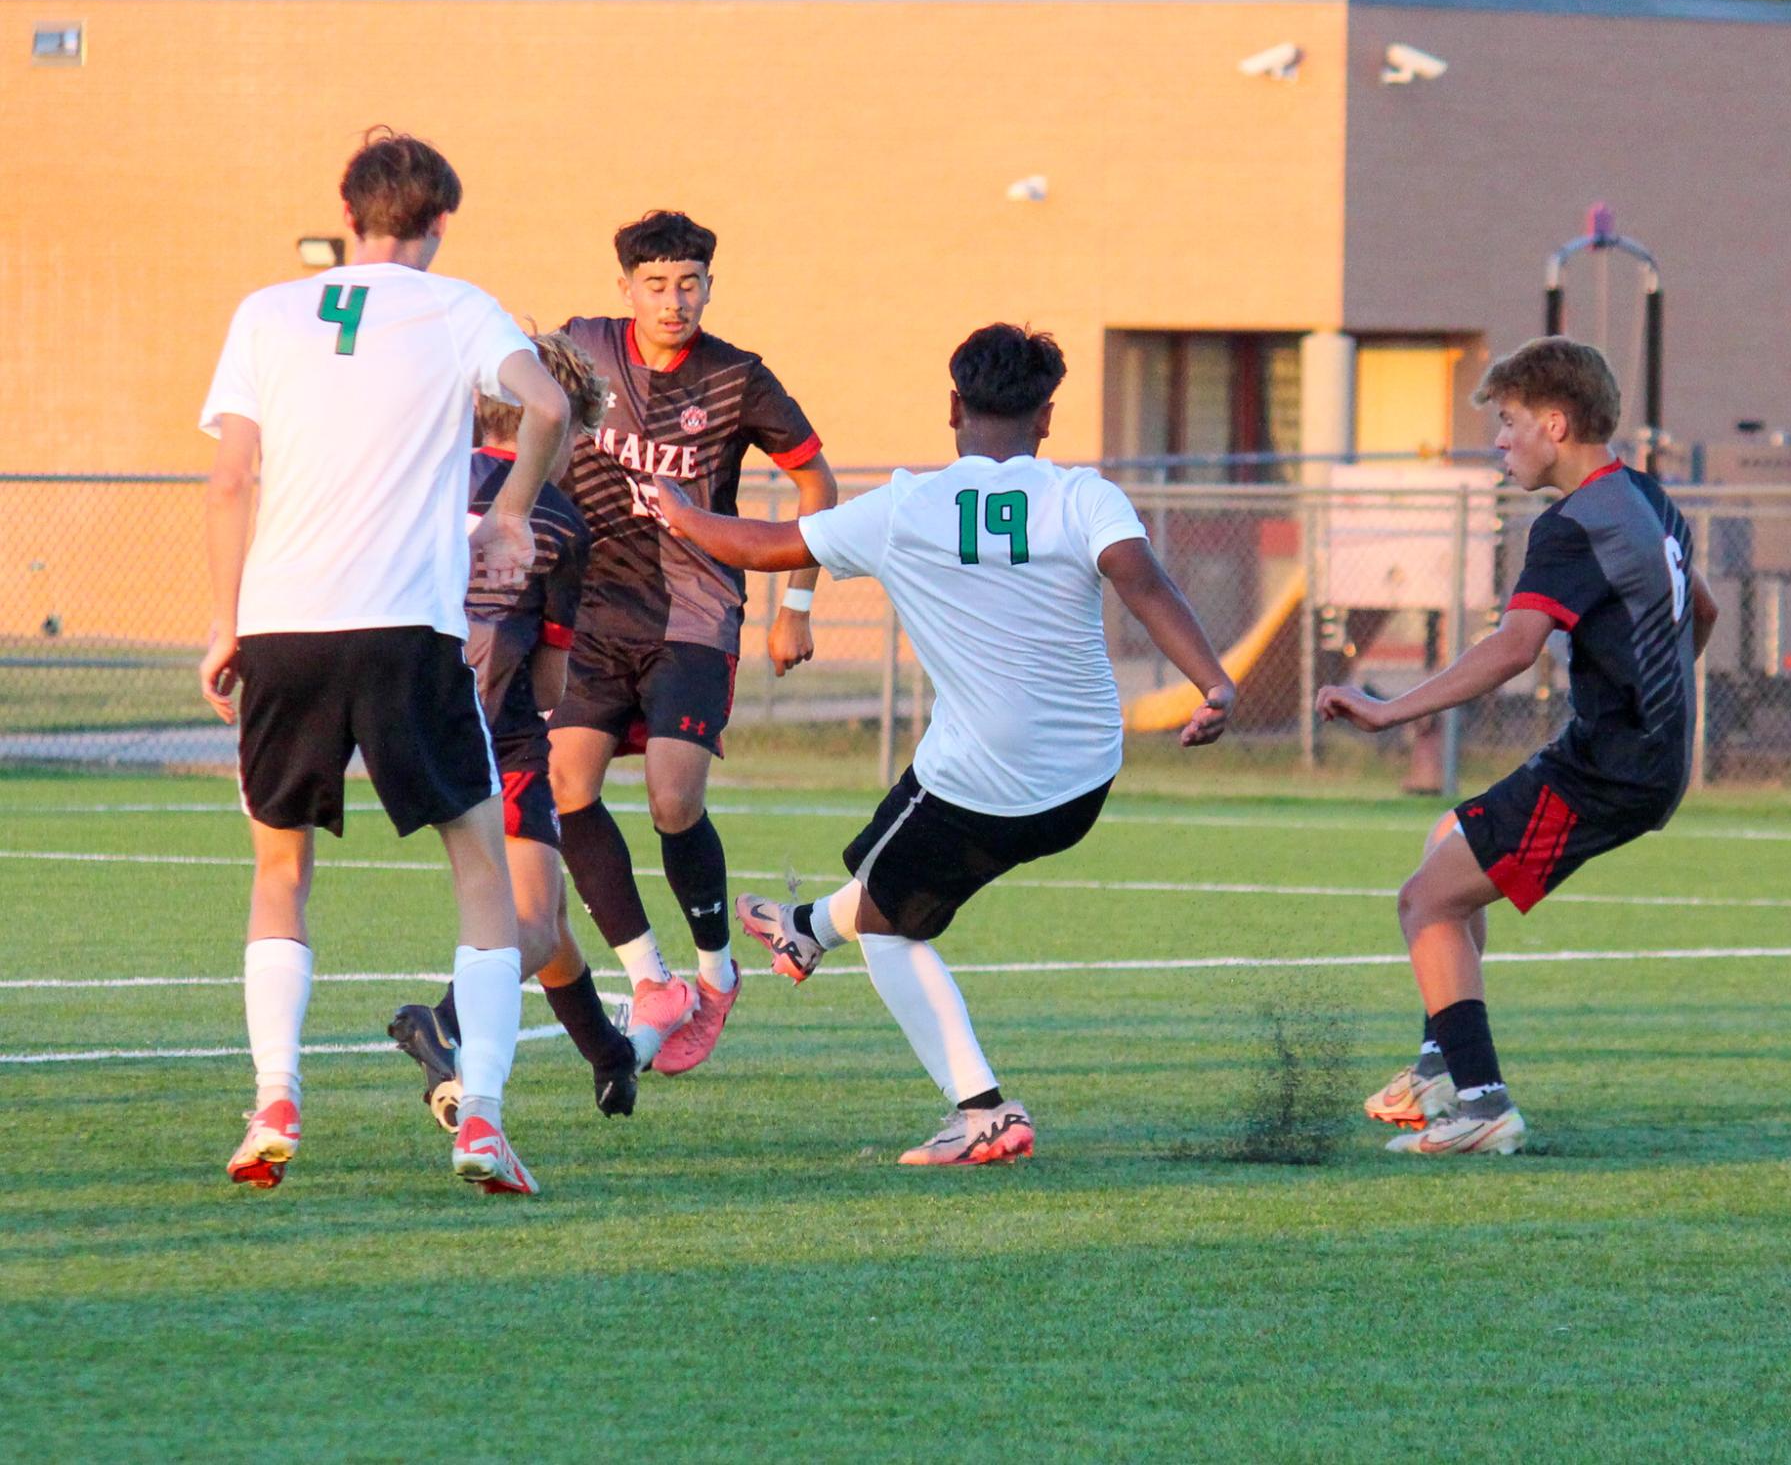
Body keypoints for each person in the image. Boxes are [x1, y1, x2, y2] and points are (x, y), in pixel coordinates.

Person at [655, 324, 1234, 1165]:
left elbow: (758, 546)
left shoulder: (906, 507)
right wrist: (1211, 684)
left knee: (890, 924)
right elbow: (1144, 583)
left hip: (984, 779)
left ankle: (982, 1111)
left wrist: (675, 509)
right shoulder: (1084, 495)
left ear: (952, 408)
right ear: (1046, 419)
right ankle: (808, 927)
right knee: (889, 849)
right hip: (1081, 776)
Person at [200, 129, 569, 1195]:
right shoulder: (458, 307)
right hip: (408, 629)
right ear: (439, 224)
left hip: (283, 626)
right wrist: (504, 517)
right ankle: (484, 1114)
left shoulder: (267, 312)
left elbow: (229, 482)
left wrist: (226, 626)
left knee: (280, 869)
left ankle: (276, 1092)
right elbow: (544, 404)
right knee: (479, 869)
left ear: (348, 216)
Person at [1318, 337, 1718, 1157]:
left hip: (1609, 769)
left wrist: (1389, 711)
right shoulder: (1642, 494)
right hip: (1624, 755)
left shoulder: (1571, 526)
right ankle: (1438, 1063)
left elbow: (1512, 649)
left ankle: (1480, 1104)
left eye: (1507, 423)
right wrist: (1659, 697)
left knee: (1425, 900)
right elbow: (1699, 610)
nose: (1499, 441)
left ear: (1555, 422)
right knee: (1446, 844)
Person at [548, 211, 839, 1078]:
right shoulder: (580, 347)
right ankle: (650, 977)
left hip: (694, 614)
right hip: (592, 612)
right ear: (625, 289)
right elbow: (510, 402)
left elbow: (815, 479)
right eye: (656, 284)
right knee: (566, 787)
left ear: (710, 286)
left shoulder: (739, 378)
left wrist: (796, 603)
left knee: (673, 802)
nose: (673, 300)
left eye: (689, 283)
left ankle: (716, 972)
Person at [388, 331, 658, 1129]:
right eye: (577, 435)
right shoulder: (560, 519)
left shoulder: (419, 484)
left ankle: (608, 1051)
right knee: (529, 924)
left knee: (549, 908)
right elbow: (549, 678)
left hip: (397, 711)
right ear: (558, 429)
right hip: (495, 736)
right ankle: (447, 1023)